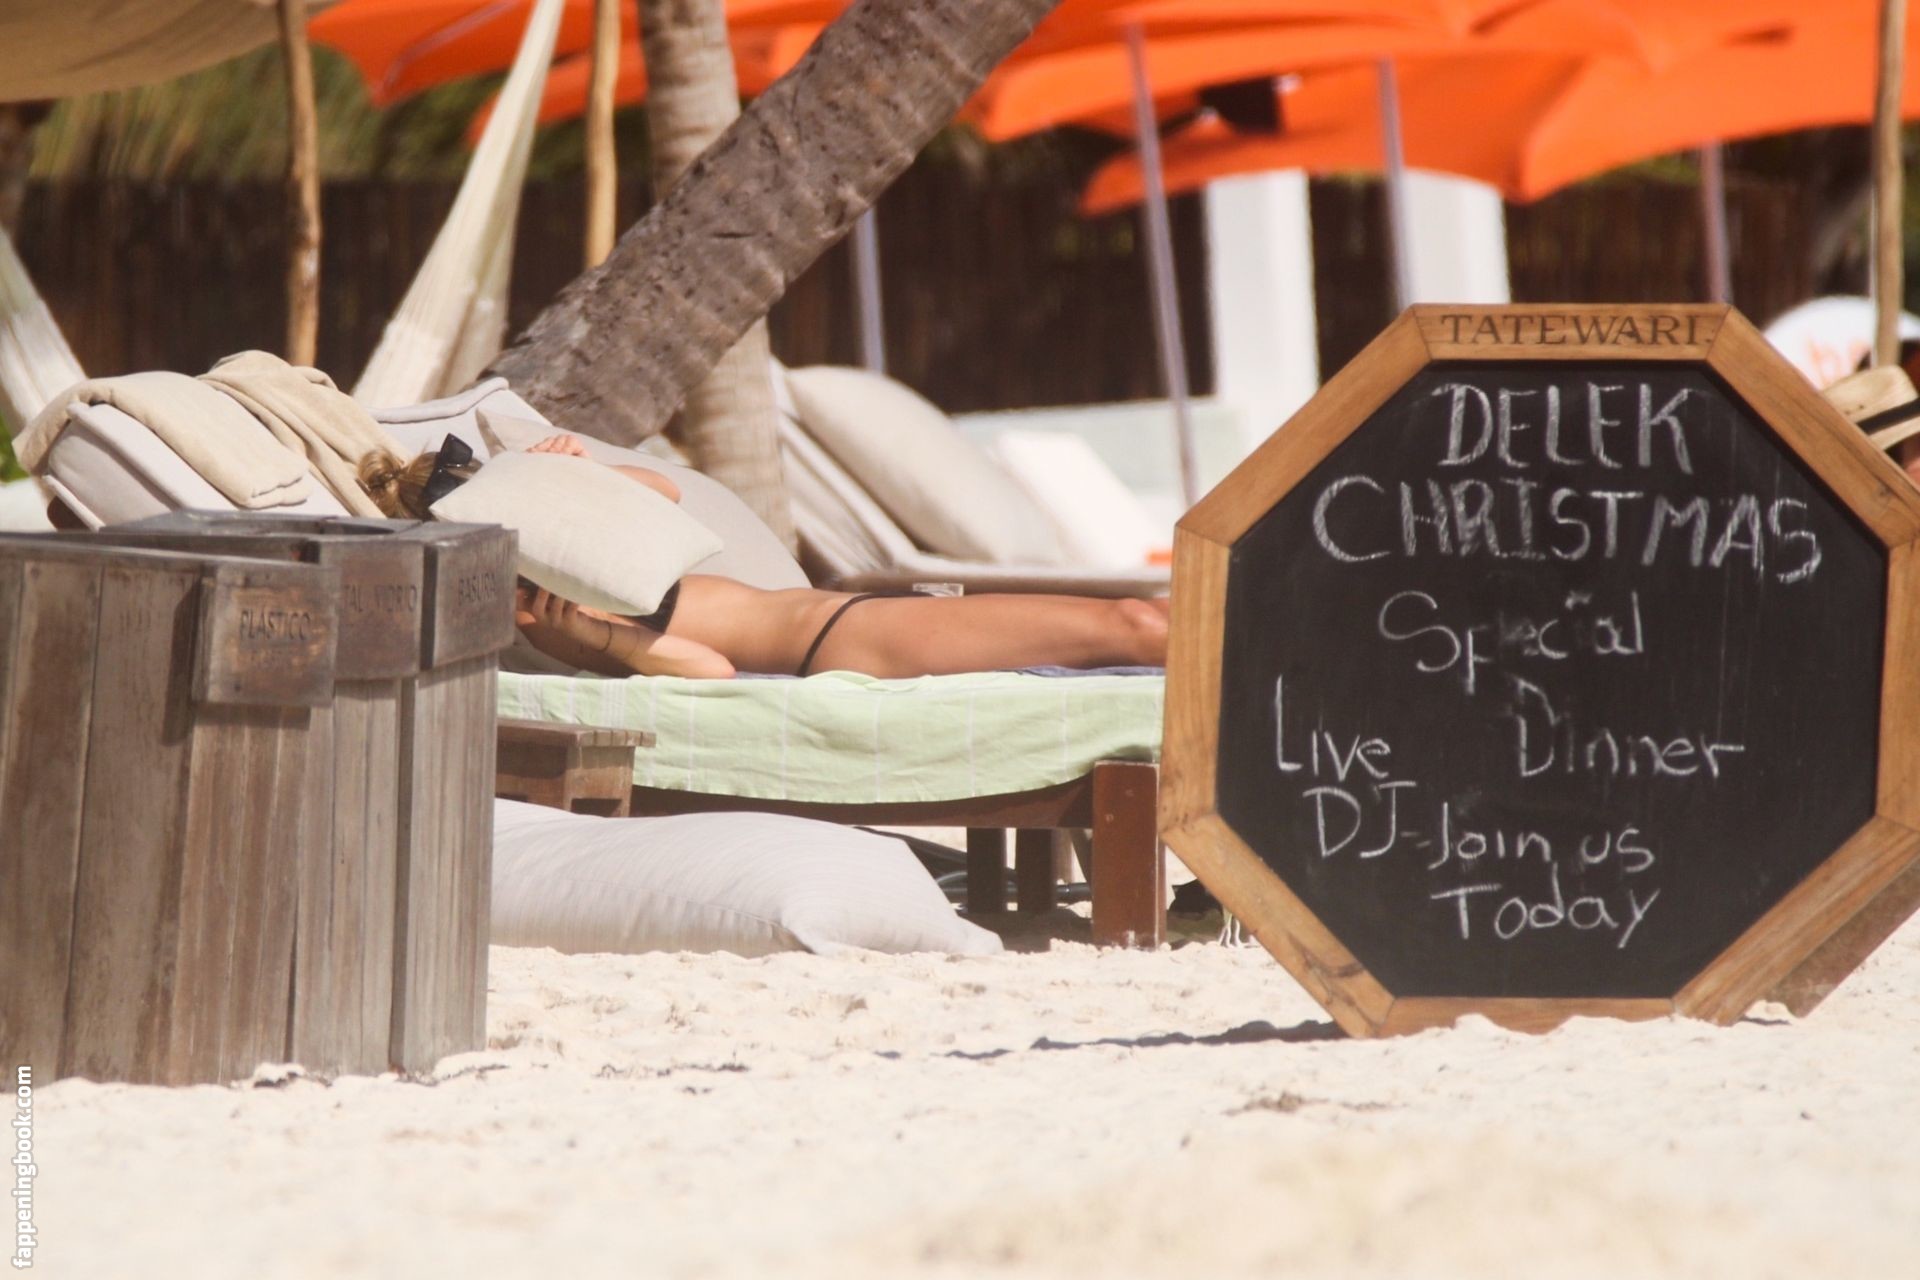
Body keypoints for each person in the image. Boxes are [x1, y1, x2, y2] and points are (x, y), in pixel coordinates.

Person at [356, 433, 1169, 680]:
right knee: (1131, 626)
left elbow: (664, 493)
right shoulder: (547, 610)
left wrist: (579, 471)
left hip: (855, 615)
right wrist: (597, 634)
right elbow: (711, 670)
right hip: (843, 643)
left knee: (1145, 620)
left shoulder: (589, 549)